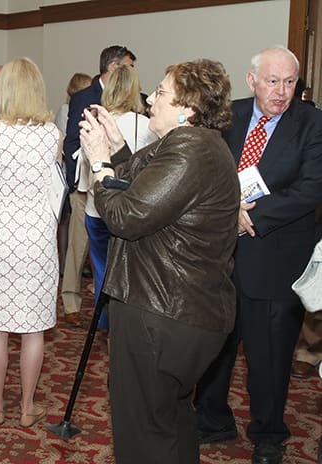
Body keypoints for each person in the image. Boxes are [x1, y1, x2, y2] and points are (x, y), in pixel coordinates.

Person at [80, 59, 240, 463]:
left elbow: (125, 216)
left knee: (144, 432)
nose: (151, 98)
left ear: (188, 107)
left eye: (162, 92)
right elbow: (144, 184)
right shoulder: (193, 145)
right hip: (181, 309)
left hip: (161, 310)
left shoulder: (190, 151)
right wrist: (116, 146)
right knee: (169, 422)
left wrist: (99, 164)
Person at [194, 46, 322, 464]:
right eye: (273, 81)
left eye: (290, 82)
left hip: (276, 256)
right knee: (216, 345)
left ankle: (269, 432)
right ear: (252, 81)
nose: (282, 92)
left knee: (269, 354)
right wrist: (226, 210)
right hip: (220, 254)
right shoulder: (228, 115)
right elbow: (205, 169)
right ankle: (212, 418)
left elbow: (310, 189)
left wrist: (252, 217)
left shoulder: (312, 123)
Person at [0, 57, 61, 427]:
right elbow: (54, 186)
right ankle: (26, 408)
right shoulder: (53, 133)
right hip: (38, 237)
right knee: (33, 327)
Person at [61, 45, 136, 327]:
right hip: (85, 188)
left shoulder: (135, 102)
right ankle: (71, 301)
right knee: (78, 248)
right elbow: (71, 142)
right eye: (128, 66)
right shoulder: (84, 97)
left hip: (122, 194)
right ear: (113, 67)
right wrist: (74, 184)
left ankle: (107, 302)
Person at [79, 64, 157, 329]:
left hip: (97, 209)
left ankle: (104, 321)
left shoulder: (94, 124)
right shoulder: (147, 125)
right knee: (130, 271)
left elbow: (87, 177)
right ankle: (125, 324)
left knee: (102, 269)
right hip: (132, 210)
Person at [54, 72, 93, 271]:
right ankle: (64, 262)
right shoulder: (65, 109)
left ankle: (75, 263)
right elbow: (66, 142)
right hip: (68, 170)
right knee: (66, 219)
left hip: (78, 171)